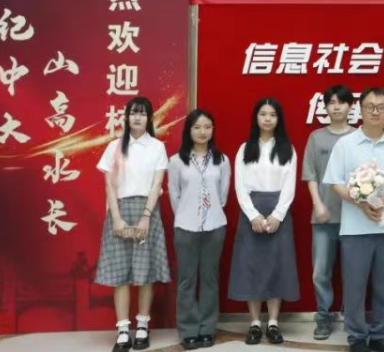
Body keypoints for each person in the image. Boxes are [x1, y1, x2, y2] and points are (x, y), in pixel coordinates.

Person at [324, 87, 384, 352]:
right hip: (355, 228)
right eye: (369, 107)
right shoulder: (346, 144)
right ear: (360, 110)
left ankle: (379, 334)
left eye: (381, 107)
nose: (375, 112)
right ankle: (356, 336)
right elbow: (335, 182)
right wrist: (361, 203)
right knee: (355, 286)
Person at [95, 97, 171, 352]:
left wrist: (146, 216)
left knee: (145, 271)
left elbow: (157, 184)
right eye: (133, 113)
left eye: (142, 113)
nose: (137, 118)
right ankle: (122, 329)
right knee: (121, 275)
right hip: (119, 210)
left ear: (149, 118)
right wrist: (116, 218)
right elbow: (109, 185)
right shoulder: (115, 147)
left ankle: (142, 325)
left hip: (147, 211)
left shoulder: (157, 147)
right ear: (126, 117)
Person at [227, 98, 299, 346]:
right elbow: (239, 186)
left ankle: (274, 322)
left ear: (279, 119)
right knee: (252, 267)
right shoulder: (245, 149)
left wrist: (278, 214)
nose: (268, 119)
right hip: (252, 213)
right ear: (256, 118)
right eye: (263, 114)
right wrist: (253, 215)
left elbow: (289, 186)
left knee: (277, 267)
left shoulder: (288, 149)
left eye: (272, 114)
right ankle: (255, 322)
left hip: (279, 212)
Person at [168, 109, 230, 351]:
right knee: (186, 280)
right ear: (189, 131)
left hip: (215, 226)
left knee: (209, 279)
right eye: (197, 127)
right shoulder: (176, 161)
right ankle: (188, 329)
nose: (202, 132)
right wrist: (187, 215)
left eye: (207, 127)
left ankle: (207, 328)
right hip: (186, 227)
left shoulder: (222, 160)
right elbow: (174, 194)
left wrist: (208, 212)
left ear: (213, 130)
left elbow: (223, 195)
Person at [303, 84, 356, 340]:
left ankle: (351, 316)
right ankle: (323, 317)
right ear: (325, 107)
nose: (336, 107)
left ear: (350, 106)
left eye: (341, 102)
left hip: (354, 218)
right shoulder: (316, 137)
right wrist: (318, 204)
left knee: (353, 271)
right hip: (323, 217)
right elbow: (311, 175)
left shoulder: (358, 136)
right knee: (320, 272)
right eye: (331, 102)